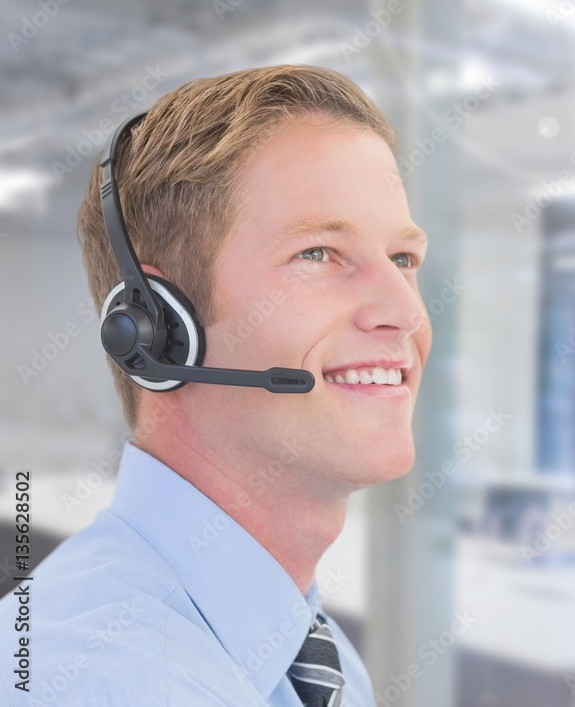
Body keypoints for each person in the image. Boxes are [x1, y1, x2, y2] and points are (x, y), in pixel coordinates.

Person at [0, 64, 432, 706]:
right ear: (157, 331)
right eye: (318, 253)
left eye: (402, 259)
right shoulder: (91, 678)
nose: (404, 310)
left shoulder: (320, 657)